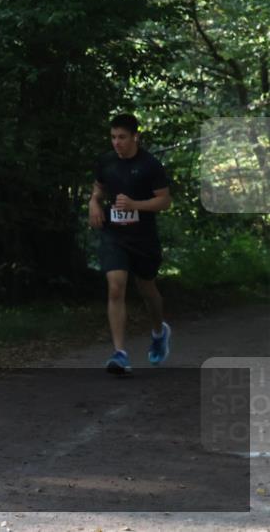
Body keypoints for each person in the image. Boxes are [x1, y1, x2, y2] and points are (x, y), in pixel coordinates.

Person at [89, 113, 172, 376]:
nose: (117, 142)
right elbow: (98, 190)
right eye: (113, 137)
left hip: (143, 238)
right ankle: (120, 353)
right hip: (115, 235)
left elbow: (164, 201)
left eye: (122, 137)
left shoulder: (150, 165)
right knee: (116, 286)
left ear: (135, 136)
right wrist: (93, 204)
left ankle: (159, 332)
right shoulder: (106, 162)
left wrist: (136, 205)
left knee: (147, 288)